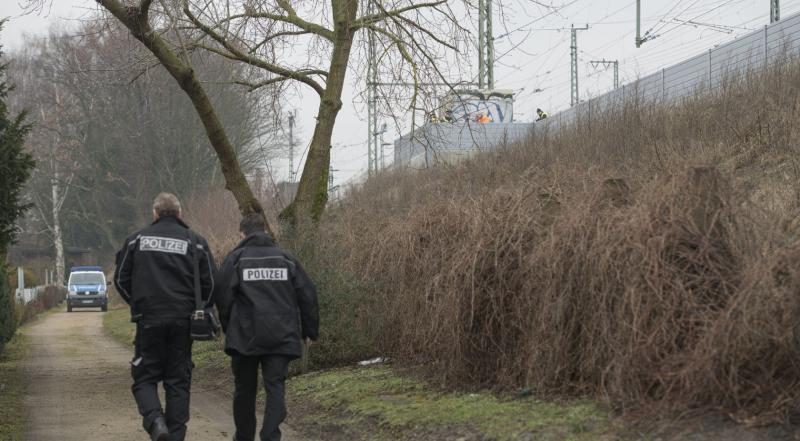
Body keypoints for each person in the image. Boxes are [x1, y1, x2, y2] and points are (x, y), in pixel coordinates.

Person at [114, 193, 216, 441]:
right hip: (183, 322)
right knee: (178, 381)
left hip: (148, 319)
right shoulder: (196, 242)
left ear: (155, 213)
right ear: (180, 214)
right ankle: (176, 436)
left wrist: (138, 304)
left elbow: (120, 280)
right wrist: (199, 309)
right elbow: (211, 283)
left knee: (144, 377)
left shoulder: (136, 240)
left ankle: (156, 421)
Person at [213, 214, 319, 441]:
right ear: (265, 231)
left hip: (245, 336)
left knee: (244, 390)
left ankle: (244, 437)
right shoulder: (287, 259)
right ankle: (271, 436)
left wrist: (227, 325)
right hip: (281, 334)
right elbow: (308, 294)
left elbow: (222, 295)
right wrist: (309, 330)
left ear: (243, 234)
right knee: (275, 387)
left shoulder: (236, 259)